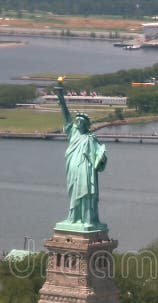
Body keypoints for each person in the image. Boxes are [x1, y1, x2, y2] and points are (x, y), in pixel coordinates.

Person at [54, 78, 107, 229]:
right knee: (74, 192)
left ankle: (88, 219)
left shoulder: (91, 138)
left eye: (82, 122)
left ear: (87, 125)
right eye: (78, 122)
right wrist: (60, 95)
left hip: (86, 169)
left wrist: (102, 157)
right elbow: (65, 114)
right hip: (73, 167)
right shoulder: (74, 133)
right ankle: (74, 217)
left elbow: (100, 157)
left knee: (86, 192)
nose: (79, 124)